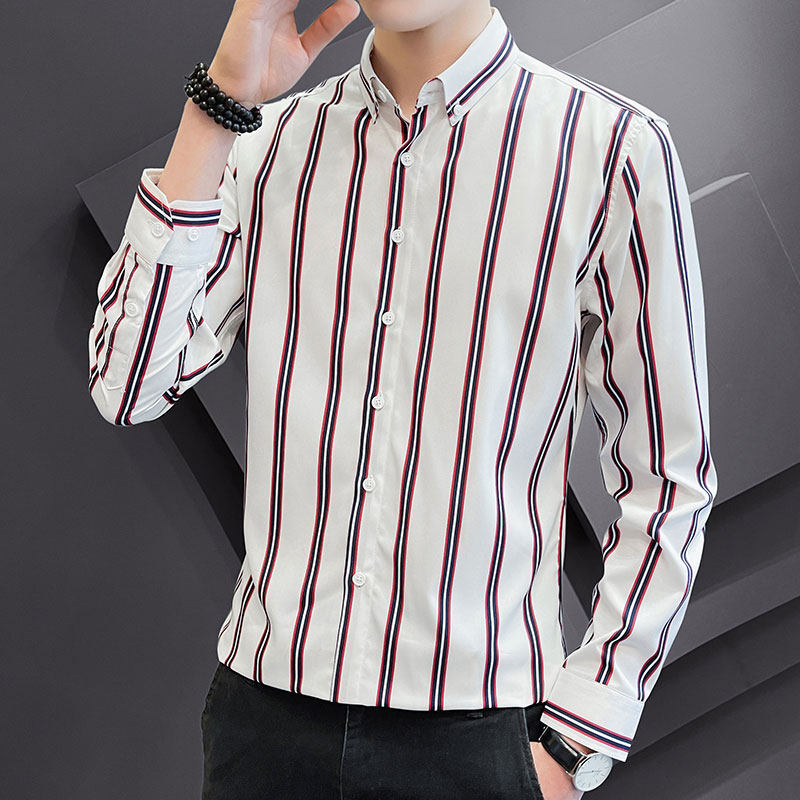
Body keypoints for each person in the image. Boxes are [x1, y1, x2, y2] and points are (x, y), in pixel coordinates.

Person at [87, 0, 718, 797]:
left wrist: (575, 740)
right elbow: (128, 383)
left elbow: (669, 476)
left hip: (480, 735)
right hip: (265, 723)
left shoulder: (609, 148)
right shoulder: (268, 143)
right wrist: (218, 107)